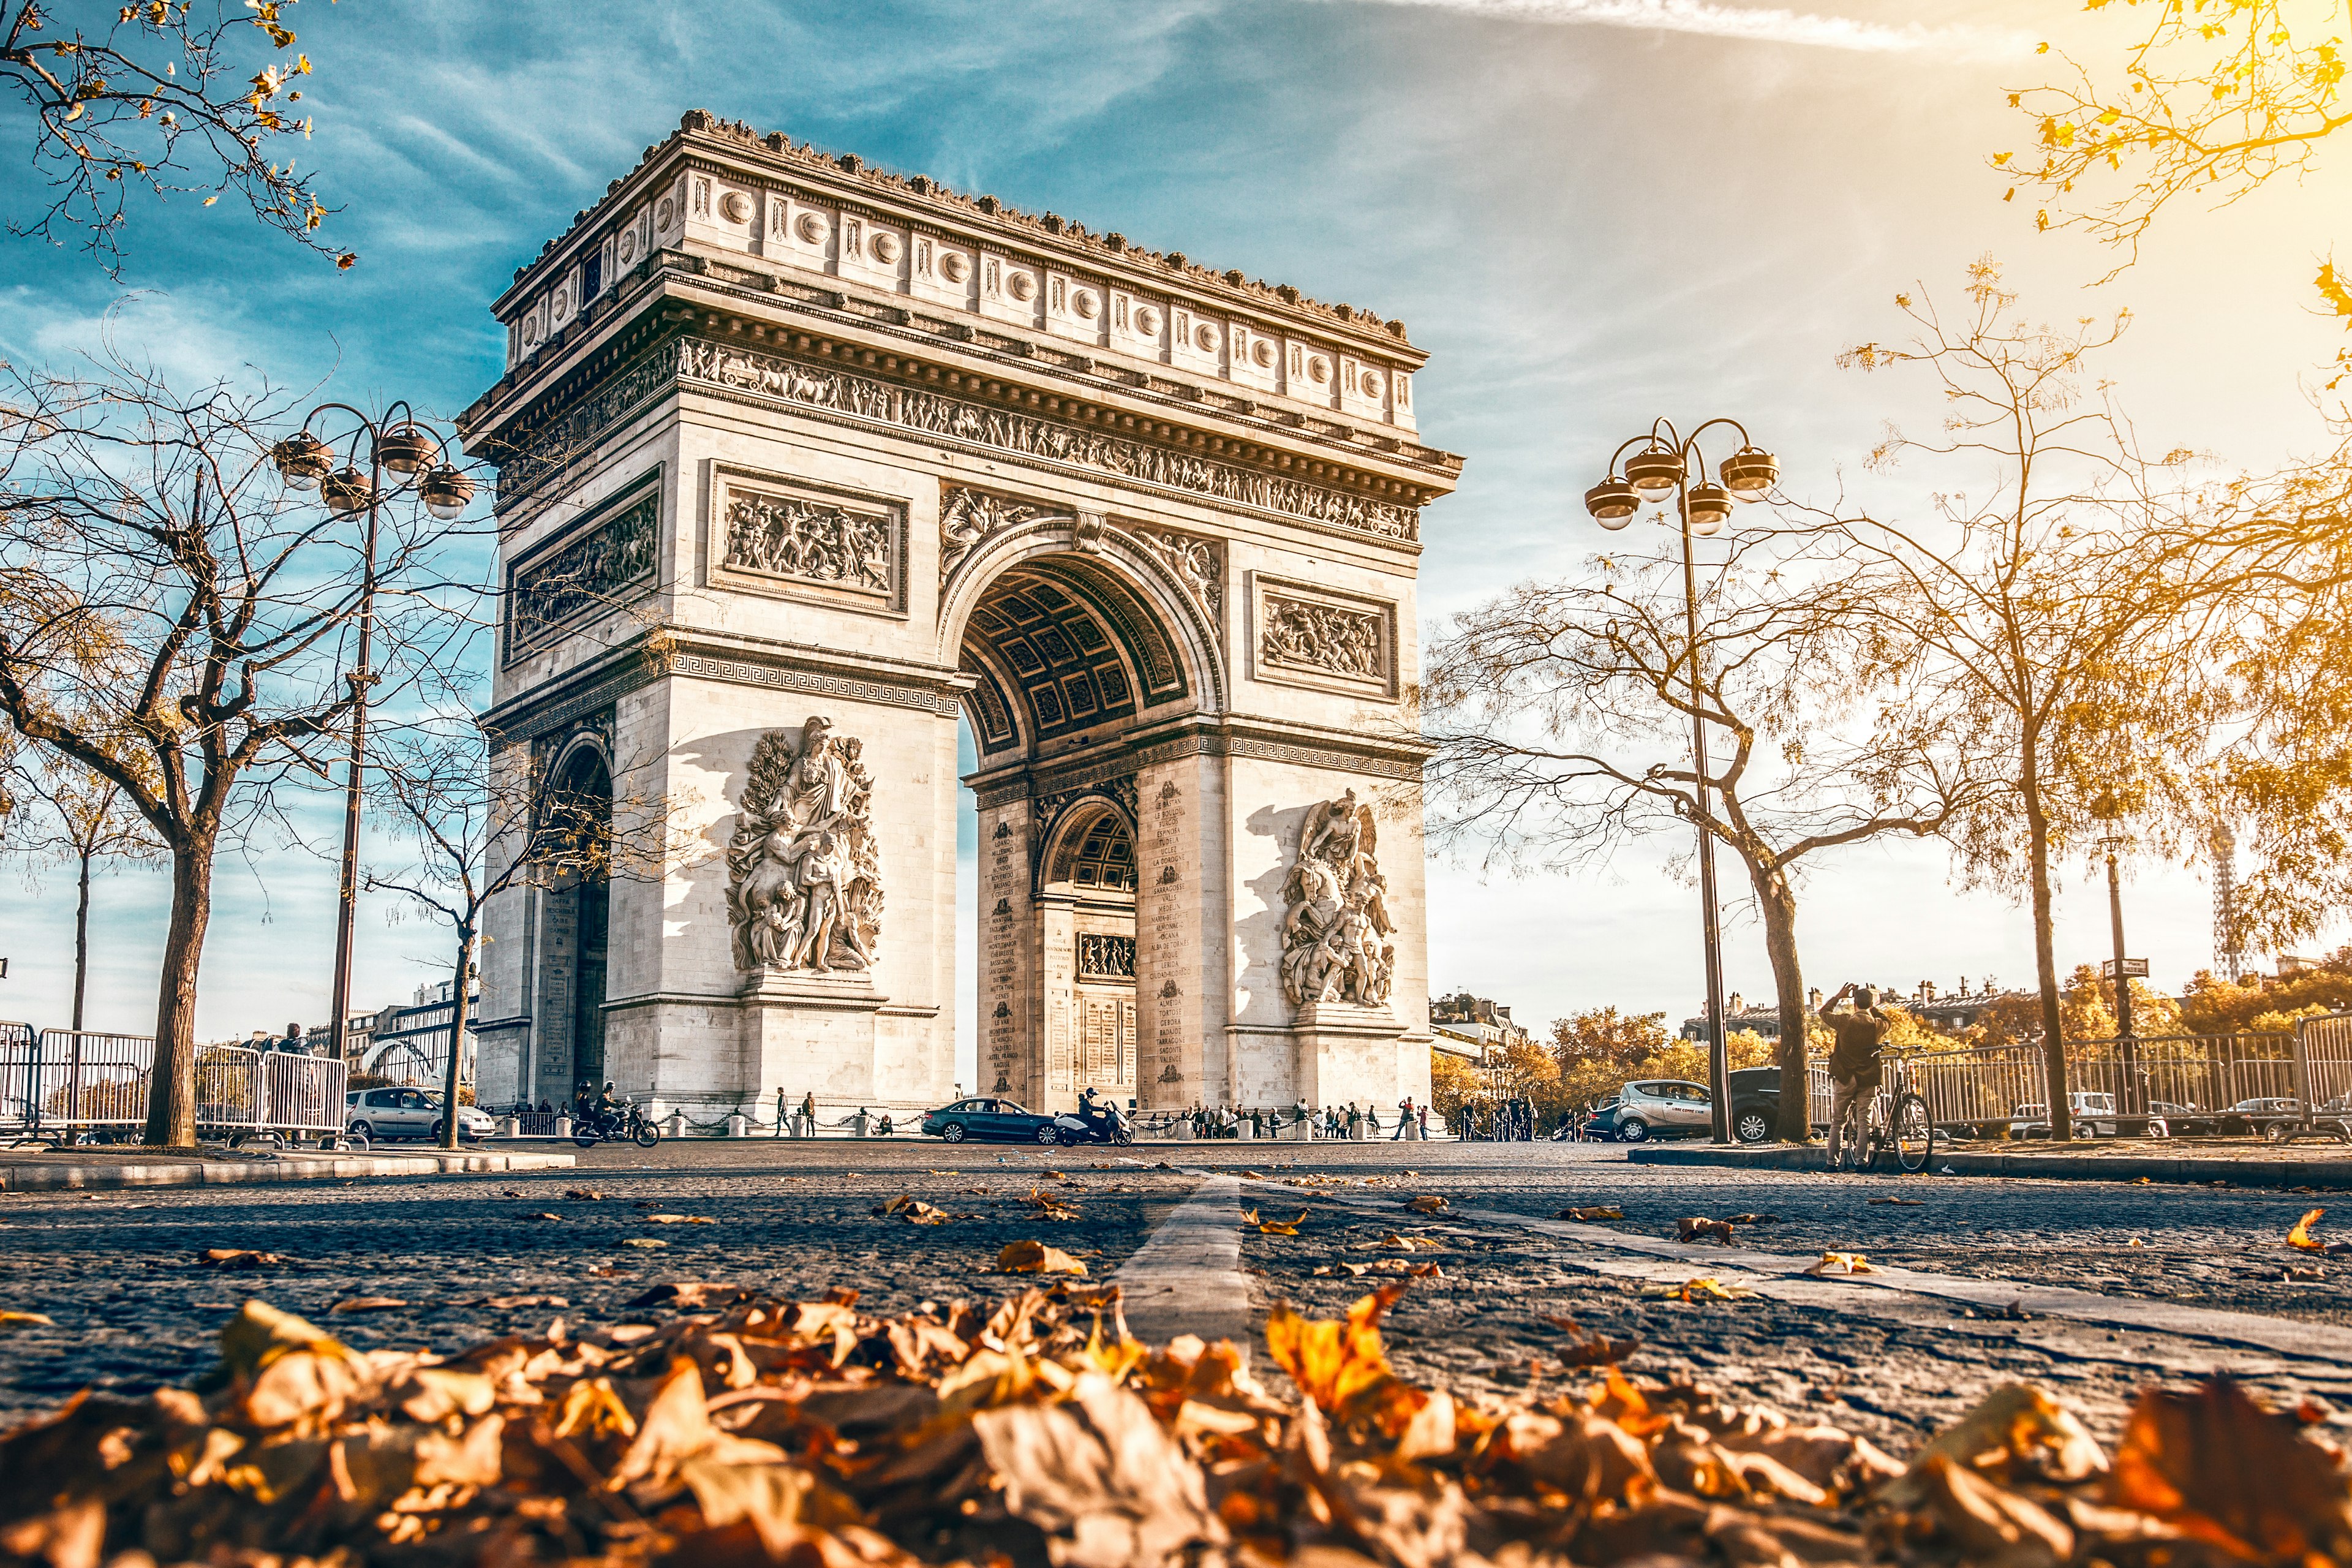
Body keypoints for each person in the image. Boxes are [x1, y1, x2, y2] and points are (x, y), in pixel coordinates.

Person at [1822, 982, 1891, 1166]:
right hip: (1868, 1078)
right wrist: (1871, 1008)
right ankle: (1861, 1162)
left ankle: (1832, 1162)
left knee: (1838, 1123)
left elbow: (1823, 1013)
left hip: (1845, 1077)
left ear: (1854, 1005)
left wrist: (1838, 996)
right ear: (1870, 1005)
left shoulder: (1844, 1022)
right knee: (1864, 1123)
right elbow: (1887, 1020)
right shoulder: (1877, 1025)